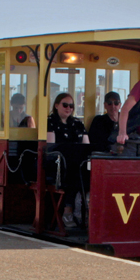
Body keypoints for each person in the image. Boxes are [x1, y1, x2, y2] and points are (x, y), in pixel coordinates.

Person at [46, 93, 89, 228]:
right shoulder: (50, 121)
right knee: (72, 174)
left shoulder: (77, 123)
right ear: (56, 105)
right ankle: (68, 211)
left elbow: (86, 145)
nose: (68, 108)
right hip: (57, 163)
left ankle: (85, 211)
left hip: (76, 162)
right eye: (65, 105)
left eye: (71, 106)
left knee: (87, 173)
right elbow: (51, 147)